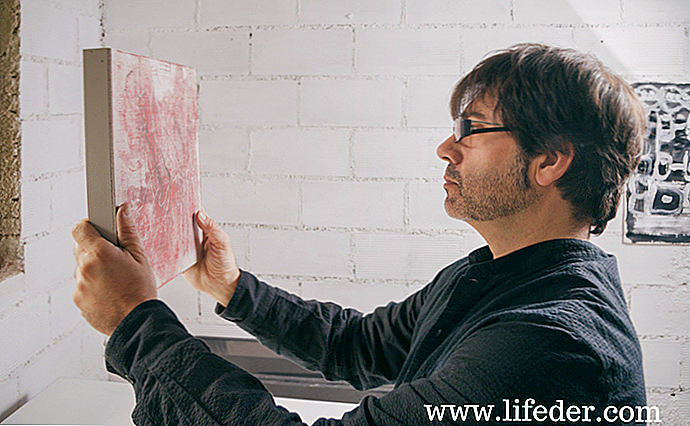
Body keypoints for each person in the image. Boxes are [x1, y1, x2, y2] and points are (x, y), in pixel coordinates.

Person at [72, 43, 648, 425]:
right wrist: (231, 285)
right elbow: (358, 345)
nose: (446, 148)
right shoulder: (493, 275)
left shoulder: (549, 344)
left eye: (471, 129)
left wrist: (135, 321)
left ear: (549, 161)